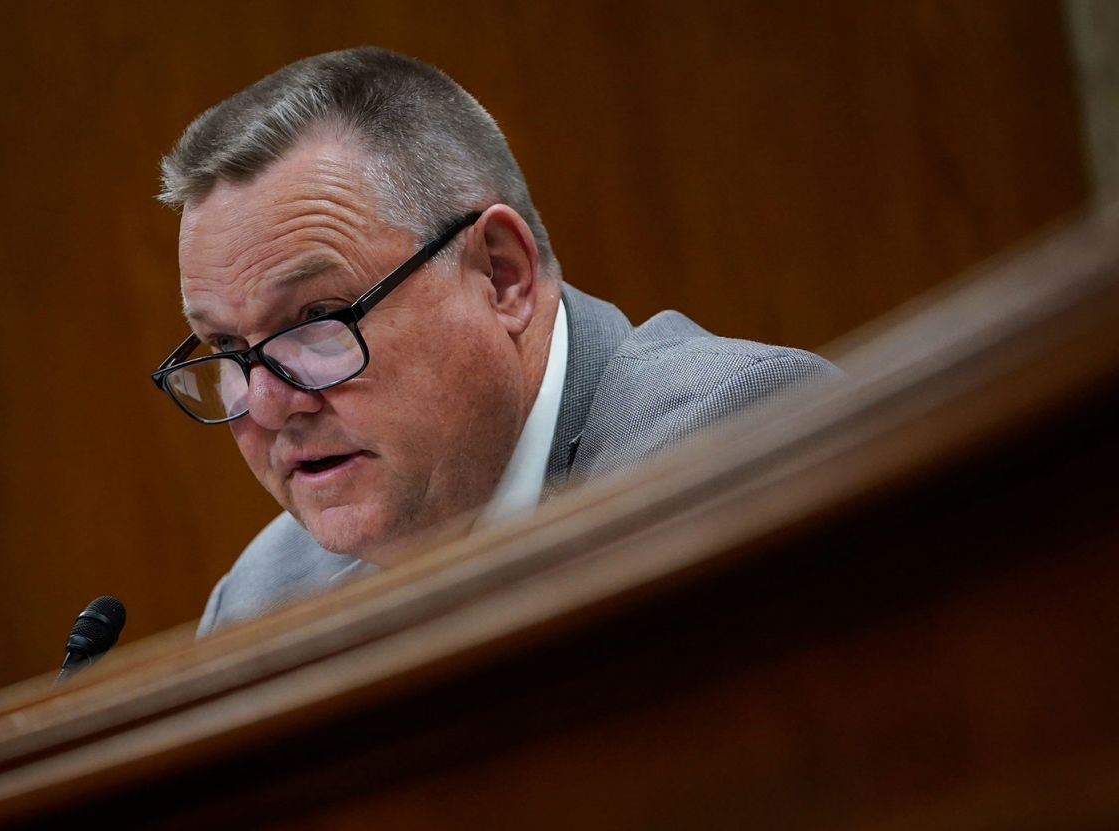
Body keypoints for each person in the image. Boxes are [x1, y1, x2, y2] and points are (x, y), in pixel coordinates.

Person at [149, 47, 837, 635]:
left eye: (315, 319)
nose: (268, 405)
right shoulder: (262, 604)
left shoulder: (737, 445)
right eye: (228, 348)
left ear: (502, 275)